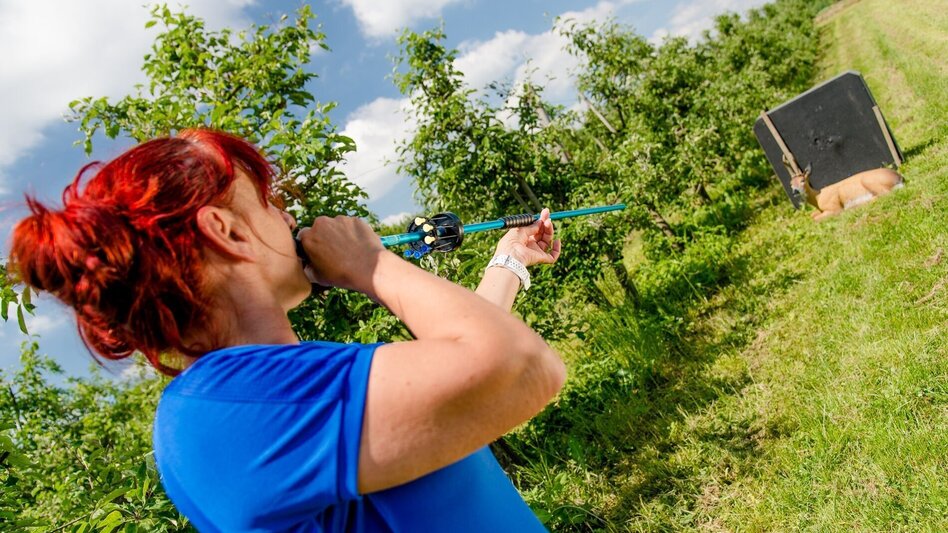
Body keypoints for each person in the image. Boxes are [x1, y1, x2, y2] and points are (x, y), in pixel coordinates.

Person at [9, 129, 567, 531]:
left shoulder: (274, 386)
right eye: (270, 203)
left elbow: (466, 381)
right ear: (227, 231)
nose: (292, 219)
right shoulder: (224, 409)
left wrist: (509, 261)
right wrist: (368, 264)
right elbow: (517, 367)